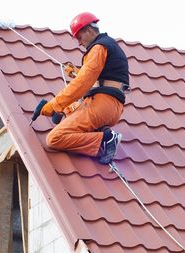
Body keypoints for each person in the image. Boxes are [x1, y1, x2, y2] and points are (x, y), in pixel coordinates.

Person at [37, 12, 130, 164]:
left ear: (89, 30)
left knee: (54, 138)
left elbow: (82, 83)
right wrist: (77, 73)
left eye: (79, 37)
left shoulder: (99, 47)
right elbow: (100, 78)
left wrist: (54, 104)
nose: (79, 43)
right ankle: (100, 131)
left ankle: (106, 139)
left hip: (101, 105)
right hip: (111, 108)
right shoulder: (109, 45)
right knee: (70, 108)